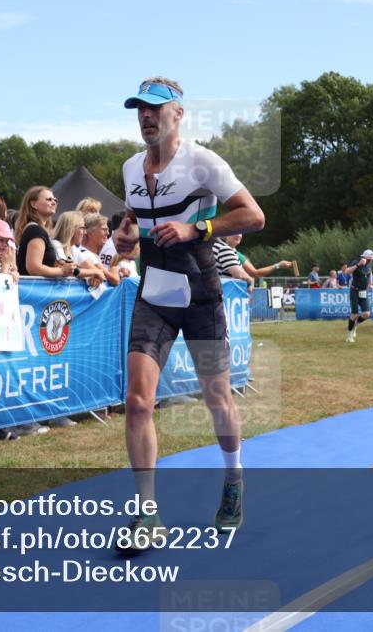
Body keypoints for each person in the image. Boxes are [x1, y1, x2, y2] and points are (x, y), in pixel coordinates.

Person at [113, 76, 264, 549]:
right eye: (140, 108)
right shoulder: (130, 168)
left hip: (200, 293)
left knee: (218, 397)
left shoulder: (202, 161)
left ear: (178, 114)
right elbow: (138, 220)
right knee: (137, 401)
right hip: (154, 294)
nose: (146, 116)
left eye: (156, 108)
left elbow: (253, 216)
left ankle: (234, 481)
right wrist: (127, 236)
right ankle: (148, 515)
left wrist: (198, 227)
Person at [14, 186, 74, 279]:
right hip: (33, 291)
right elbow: (34, 268)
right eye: (49, 199)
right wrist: (62, 270)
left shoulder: (35, 229)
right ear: (34, 204)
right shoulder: (36, 230)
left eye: (55, 200)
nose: (54, 202)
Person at [50, 210, 105, 287]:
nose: (84, 232)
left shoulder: (73, 248)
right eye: (82, 228)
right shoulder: (56, 244)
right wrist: (94, 273)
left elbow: (94, 270)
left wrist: (93, 276)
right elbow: (68, 270)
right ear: (71, 229)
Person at [81, 213, 122, 285]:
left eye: (108, 230)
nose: (108, 233)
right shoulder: (86, 254)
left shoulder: (90, 254)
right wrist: (115, 268)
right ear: (90, 233)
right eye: (104, 230)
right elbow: (115, 280)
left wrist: (121, 272)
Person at [345, 249, 373, 343]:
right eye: (369, 259)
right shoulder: (356, 262)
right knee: (354, 314)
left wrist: (371, 283)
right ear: (364, 257)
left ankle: (356, 326)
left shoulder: (369, 265)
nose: (370, 261)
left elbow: (370, 273)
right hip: (354, 290)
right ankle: (349, 335)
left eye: (371, 259)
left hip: (363, 291)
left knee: (366, 314)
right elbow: (347, 271)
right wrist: (358, 264)